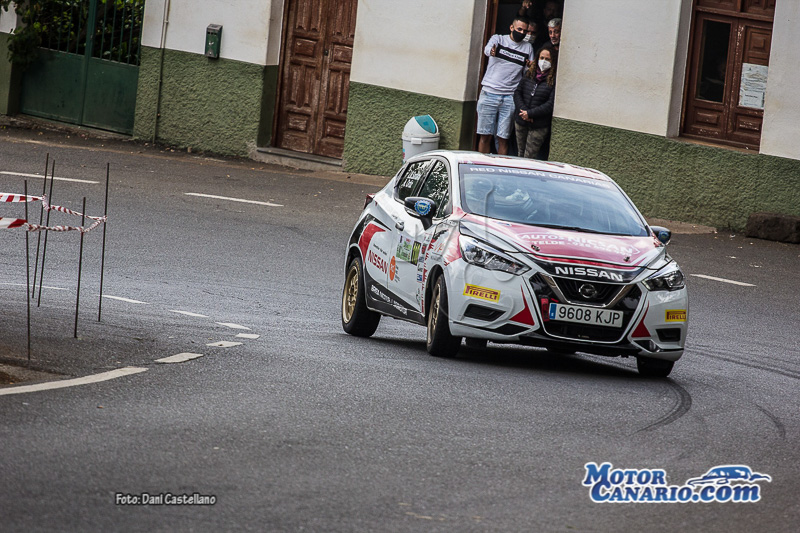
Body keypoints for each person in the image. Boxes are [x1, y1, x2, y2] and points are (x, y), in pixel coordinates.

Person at [477, 16, 535, 155]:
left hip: (510, 97)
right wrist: (491, 51)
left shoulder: (528, 47)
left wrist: (530, 67)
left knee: (503, 138)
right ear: (511, 27)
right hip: (489, 93)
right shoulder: (498, 39)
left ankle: (500, 166)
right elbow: (487, 49)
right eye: (519, 29)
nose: (522, 33)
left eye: (525, 31)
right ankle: (482, 164)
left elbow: (528, 72)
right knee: (485, 136)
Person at [513, 45, 557, 159]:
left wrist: (531, 114)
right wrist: (524, 112)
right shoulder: (529, 74)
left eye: (547, 59)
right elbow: (517, 92)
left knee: (529, 157)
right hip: (521, 120)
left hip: (538, 125)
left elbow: (550, 104)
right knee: (520, 154)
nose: (543, 61)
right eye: (541, 58)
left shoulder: (554, 80)